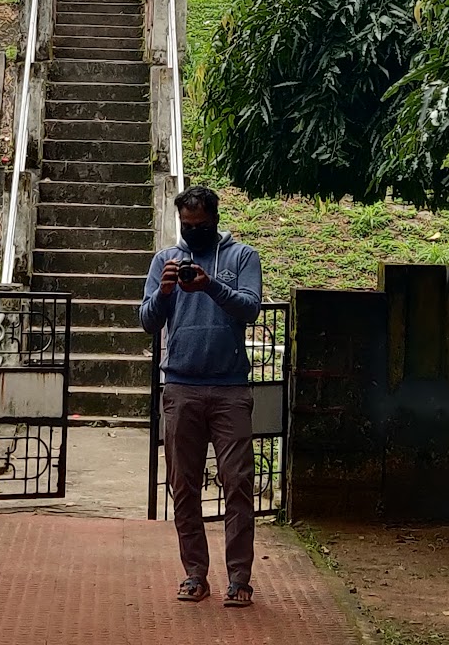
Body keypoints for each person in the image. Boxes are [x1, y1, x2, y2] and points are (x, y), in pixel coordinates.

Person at [139, 185, 262, 609]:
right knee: (184, 486)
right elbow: (147, 321)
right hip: (181, 386)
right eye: (186, 227)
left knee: (239, 483)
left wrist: (211, 286)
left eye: (201, 226)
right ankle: (195, 574)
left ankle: (239, 579)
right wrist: (166, 292)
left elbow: (250, 308)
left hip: (230, 388)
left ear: (214, 219)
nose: (193, 233)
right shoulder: (164, 261)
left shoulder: (242, 257)